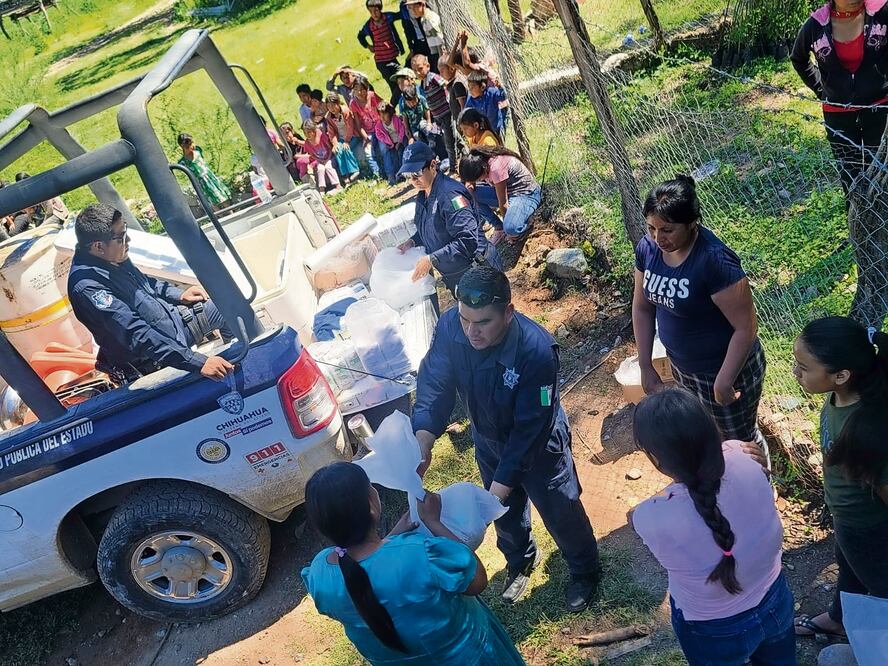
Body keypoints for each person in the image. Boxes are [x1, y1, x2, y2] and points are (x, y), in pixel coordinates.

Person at [412, 266, 600, 611]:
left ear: (508, 313)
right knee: (506, 515)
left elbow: (531, 428)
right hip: (488, 440)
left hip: (539, 446)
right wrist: (424, 435)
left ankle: (585, 570)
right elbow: (435, 380)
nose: (471, 331)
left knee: (561, 510)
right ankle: (520, 559)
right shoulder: (452, 326)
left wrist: (499, 489)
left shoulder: (536, 350)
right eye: (465, 319)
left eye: (482, 322)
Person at [301, 461, 526, 665]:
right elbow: (477, 581)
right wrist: (433, 522)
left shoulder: (321, 573)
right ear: (371, 504)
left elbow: (368, 569)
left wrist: (394, 534)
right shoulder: (422, 554)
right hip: (468, 656)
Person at [632, 388, 796, 666]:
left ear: (656, 459)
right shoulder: (743, 456)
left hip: (712, 627)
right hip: (774, 599)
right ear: (712, 431)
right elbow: (732, 457)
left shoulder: (649, 517)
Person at [632, 175, 767, 451]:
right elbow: (642, 306)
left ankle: (758, 489)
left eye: (667, 230)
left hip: (726, 370)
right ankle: (720, 486)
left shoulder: (714, 260)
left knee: (740, 443)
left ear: (692, 223)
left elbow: (746, 327)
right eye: (651, 228)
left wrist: (725, 379)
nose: (658, 238)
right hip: (683, 368)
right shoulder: (648, 249)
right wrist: (645, 364)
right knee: (706, 432)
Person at [791, 316, 888, 640]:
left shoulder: (869, 430)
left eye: (803, 367)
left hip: (867, 525)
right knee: (849, 569)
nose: (796, 372)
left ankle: (873, 640)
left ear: (841, 375)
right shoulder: (841, 397)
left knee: (880, 584)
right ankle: (838, 619)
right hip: (847, 519)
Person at [68, 204, 234, 382]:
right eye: (122, 236)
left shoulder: (112, 255)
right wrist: (198, 362)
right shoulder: (89, 288)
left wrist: (177, 294)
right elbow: (138, 334)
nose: (128, 239)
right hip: (152, 358)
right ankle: (223, 378)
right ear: (99, 246)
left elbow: (144, 282)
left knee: (229, 306)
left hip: (173, 325)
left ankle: (236, 366)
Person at [791, 0, 888, 195]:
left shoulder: (881, 11)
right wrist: (823, 90)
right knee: (850, 179)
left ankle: (882, 222)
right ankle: (856, 221)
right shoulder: (816, 24)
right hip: (838, 117)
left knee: (882, 176)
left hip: (879, 109)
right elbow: (798, 58)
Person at [396, 142, 501, 295]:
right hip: (455, 274)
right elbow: (431, 229)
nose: (413, 180)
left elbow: (468, 240)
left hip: (477, 270)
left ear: (433, 165)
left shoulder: (450, 195)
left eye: (416, 173)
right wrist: (412, 242)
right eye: (408, 176)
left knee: (492, 315)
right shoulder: (422, 195)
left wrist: (432, 259)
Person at [459, 146, 541, 244]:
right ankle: (499, 227)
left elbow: (503, 203)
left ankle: (523, 223)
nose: (479, 181)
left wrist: (508, 231)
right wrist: (470, 190)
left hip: (525, 194)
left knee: (511, 228)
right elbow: (469, 183)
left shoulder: (495, 169)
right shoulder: (479, 161)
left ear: (484, 169)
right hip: (508, 192)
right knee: (469, 195)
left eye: (478, 179)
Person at [412, 53, 456, 168]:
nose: (418, 73)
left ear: (428, 66)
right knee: (448, 138)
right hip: (438, 116)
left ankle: (453, 165)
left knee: (449, 141)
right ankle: (458, 157)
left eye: (420, 69)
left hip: (446, 112)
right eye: (415, 71)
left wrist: (450, 98)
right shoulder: (423, 84)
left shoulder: (432, 77)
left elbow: (445, 84)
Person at [358, 0, 406, 104]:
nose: (374, 14)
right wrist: (368, 46)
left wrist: (404, 3)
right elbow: (360, 36)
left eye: (376, 10)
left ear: (380, 9)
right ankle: (394, 107)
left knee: (403, 79)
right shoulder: (369, 26)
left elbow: (401, 15)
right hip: (381, 61)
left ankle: (403, 102)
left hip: (392, 58)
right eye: (370, 11)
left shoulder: (388, 17)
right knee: (393, 85)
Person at [177, 133, 231, 210]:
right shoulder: (182, 162)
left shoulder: (198, 151)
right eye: (187, 143)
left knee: (223, 199)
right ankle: (220, 218)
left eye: (191, 142)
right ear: (182, 146)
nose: (191, 145)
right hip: (200, 183)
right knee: (213, 204)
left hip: (210, 178)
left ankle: (231, 212)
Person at [349, 76, 385, 180]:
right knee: (368, 152)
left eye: (362, 90)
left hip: (380, 128)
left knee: (383, 148)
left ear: (367, 88)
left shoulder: (372, 96)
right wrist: (366, 138)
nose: (359, 92)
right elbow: (358, 124)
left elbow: (383, 105)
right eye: (356, 90)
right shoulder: (353, 103)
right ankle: (378, 175)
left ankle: (388, 172)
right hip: (368, 132)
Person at [325, 93, 361, 185]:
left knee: (346, 149)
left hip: (352, 136)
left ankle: (355, 171)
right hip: (341, 138)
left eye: (333, 106)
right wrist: (335, 144)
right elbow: (331, 132)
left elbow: (350, 127)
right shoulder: (329, 117)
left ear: (338, 103)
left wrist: (346, 141)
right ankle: (345, 175)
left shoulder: (345, 111)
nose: (331, 109)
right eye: (328, 106)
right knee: (338, 151)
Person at [465, 69, 509, 141]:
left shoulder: (491, 93)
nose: (470, 90)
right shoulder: (470, 100)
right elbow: (466, 112)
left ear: (482, 87)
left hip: (496, 127)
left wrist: (500, 87)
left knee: (500, 146)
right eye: (469, 87)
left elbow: (502, 96)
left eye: (472, 87)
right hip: (484, 130)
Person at [303, 120, 343, 195]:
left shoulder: (322, 136)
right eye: (305, 133)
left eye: (309, 132)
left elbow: (330, 148)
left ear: (313, 130)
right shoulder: (307, 143)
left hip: (330, 157)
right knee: (320, 169)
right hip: (320, 160)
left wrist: (327, 159)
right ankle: (322, 190)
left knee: (328, 167)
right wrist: (319, 161)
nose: (307, 135)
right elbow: (312, 155)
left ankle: (338, 186)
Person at [374, 102, 410, 186]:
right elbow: (378, 135)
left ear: (389, 113)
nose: (382, 117)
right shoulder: (379, 125)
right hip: (391, 144)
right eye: (380, 115)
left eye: (384, 114)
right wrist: (387, 141)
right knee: (394, 158)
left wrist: (400, 141)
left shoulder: (395, 119)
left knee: (401, 154)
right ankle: (399, 174)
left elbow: (402, 129)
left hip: (399, 141)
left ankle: (405, 172)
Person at [401, 0, 443, 71]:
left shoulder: (430, 19)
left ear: (422, 5)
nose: (412, 11)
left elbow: (440, 42)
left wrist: (441, 61)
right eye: (410, 8)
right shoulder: (423, 19)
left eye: (414, 7)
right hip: (431, 50)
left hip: (438, 54)